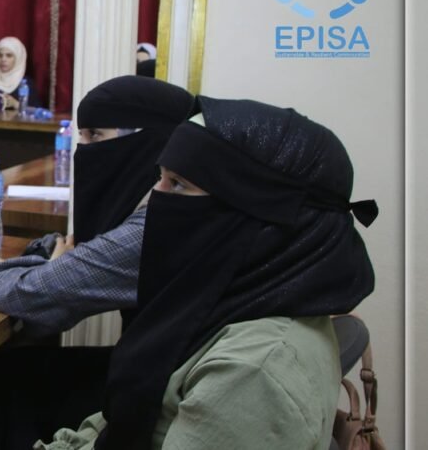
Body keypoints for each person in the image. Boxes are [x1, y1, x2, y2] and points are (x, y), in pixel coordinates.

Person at [40, 97, 377, 449]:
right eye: (160, 179)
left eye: (178, 184)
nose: (154, 199)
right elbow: (114, 422)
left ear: (252, 212)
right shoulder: (224, 303)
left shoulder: (253, 374)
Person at [0, 77, 193, 448]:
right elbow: (70, 249)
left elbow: (38, 295)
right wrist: (49, 261)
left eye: (95, 136)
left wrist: (11, 269)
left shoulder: (158, 223)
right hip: (158, 366)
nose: (83, 149)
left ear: (145, 140)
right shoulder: (163, 200)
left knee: (15, 381)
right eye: (82, 136)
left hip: (167, 388)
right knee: (14, 373)